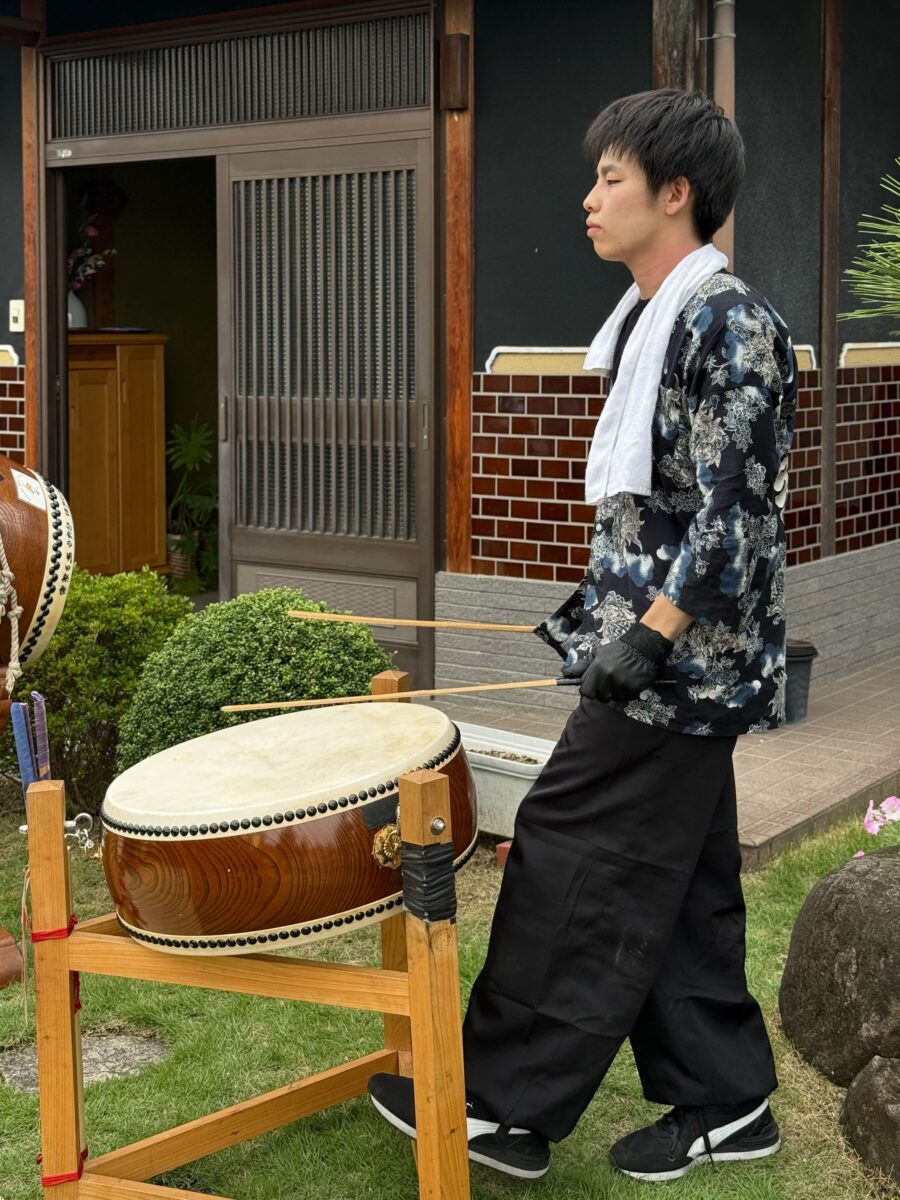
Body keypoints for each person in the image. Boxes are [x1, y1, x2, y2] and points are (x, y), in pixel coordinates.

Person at [369, 88, 796, 1185]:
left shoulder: (726, 322)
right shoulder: (655, 318)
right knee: (684, 882)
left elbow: (735, 513)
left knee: (570, 847)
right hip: (660, 658)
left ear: (677, 193)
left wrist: (650, 637)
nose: (590, 198)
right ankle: (728, 1103)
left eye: (612, 178)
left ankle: (502, 1106)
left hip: (679, 672)